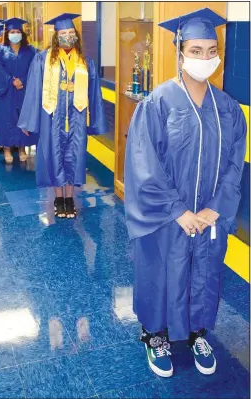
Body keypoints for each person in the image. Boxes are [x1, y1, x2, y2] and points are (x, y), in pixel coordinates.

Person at [124, 8, 247, 378]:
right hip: (167, 217)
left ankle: (197, 333)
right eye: (196, 50)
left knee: (204, 273)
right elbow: (144, 166)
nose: (205, 58)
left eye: (212, 50)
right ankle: (155, 335)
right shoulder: (157, 104)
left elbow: (234, 167)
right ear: (180, 53)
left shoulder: (228, 109)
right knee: (161, 271)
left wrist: (215, 209)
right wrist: (178, 211)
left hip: (209, 217)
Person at [18, 13, 108, 218]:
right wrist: (29, 120)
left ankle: (70, 198)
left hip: (76, 118)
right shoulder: (43, 59)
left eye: (70, 33)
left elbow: (94, 93)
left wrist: (95, 121)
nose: (67, 36)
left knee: (74, 157)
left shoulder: (85, 61)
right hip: (52, 118)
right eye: (63, 33)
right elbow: (33, 90)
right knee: (54, 156)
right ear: (56, 36)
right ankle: (59, 199)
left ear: (75, 35)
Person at [0, 18, 38, 164]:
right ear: (7, 33)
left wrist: (22, 81)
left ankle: (21, 148)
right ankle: (6, 148)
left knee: (22, 117)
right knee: (7, 118)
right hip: (7, 90)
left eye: (18, 31)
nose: (15, 34)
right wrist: (12, 80)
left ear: (22, 33)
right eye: (12, 32)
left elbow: (34, 68)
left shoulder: (30, 50)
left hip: (24, 90)